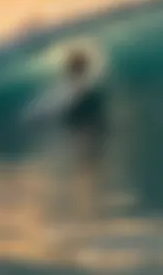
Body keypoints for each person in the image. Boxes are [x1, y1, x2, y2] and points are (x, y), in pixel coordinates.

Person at [24, 49, 108, 220]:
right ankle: (86, 170)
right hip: (72, 128)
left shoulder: (67, 89)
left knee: (86, 153)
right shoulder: (70, 90)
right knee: (85, 152)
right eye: (80, 65)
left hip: (74, 127)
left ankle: (85, 169)